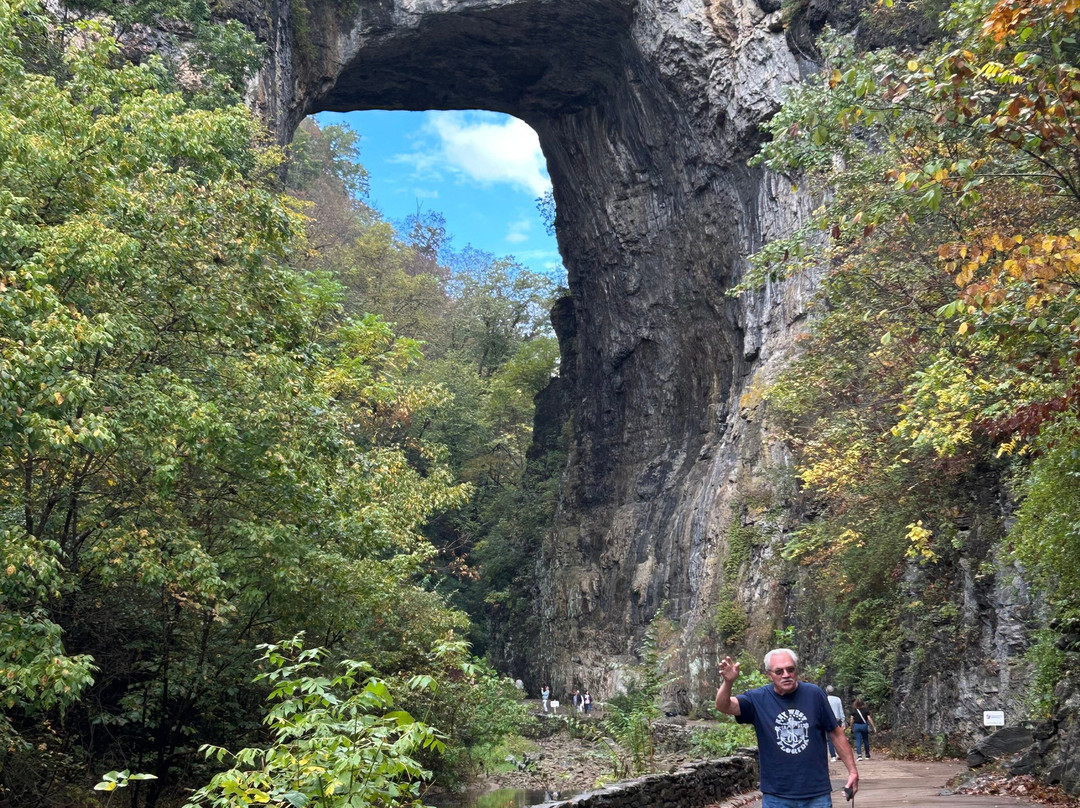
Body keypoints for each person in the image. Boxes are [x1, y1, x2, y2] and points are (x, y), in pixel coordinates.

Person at [715, 648, 858, 808]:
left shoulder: (815, 694)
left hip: (816, 794)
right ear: (769, 674)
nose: (786, 674)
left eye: (790, 669)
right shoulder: (757, 699)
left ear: (796, 670)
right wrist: (728, 683)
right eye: (779, 671)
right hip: (776, 796)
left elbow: (836, 734)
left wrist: (852, 771)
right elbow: (723, 706)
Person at [826, 685, 845, 762]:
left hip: (828, 719)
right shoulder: (838, 699)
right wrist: (843, 721)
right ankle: (840, 754)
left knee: (830, 738)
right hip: (837, 720)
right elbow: (841, 710)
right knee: (838, 737)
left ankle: (833, 756)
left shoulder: (825, 699)